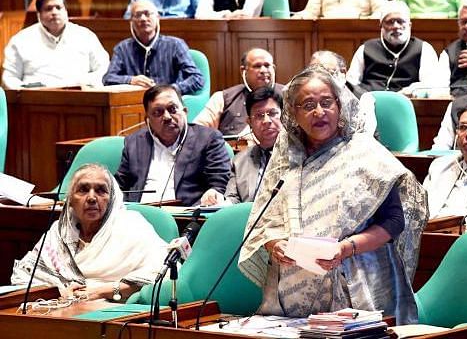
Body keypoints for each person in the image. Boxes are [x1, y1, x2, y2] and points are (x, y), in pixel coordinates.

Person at [238, 65, 427, 324]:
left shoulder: (365, 153)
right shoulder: (287, 157)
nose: (319, 112)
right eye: (308, 105)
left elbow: (394, 221)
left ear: (339, 106)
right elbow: (266, 220)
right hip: (292, 290)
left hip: (359, 282)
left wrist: (345, 248)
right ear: (293, 112)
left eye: (326, 102)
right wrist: (274, 245)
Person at [12, 164, 167, 301]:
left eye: (101, 191)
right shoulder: (59, 231)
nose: (92, 198)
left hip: (116, 310)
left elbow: (162, 275)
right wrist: (61, 291)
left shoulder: (132, 226)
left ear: (111, 198)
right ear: (71, 199)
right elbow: (27, 273)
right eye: (83, 190)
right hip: (62, 307)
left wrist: (103, 291)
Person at [115, 85, 230, 206]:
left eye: (172, 109)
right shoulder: (134, 142)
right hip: (140, 215)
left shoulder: (208, 139)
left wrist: (213, 193)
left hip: (186, 217)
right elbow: (119, 186)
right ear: (147, 120)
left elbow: (219, 184)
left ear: (185, 112)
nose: (167, 117)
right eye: (157, 112)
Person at [2, 0, 109, 89]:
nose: (54, 12)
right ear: (39, 15)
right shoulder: (21, 40)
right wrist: (26, 92)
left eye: (58, 7)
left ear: (66, 11)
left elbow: (103, 67)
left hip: (81, 98)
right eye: (48, 9)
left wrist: (87, 83)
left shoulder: (85, 36)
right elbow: (9, 78)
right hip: (36, 102)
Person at [103, 0, 204, 95]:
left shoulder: (175, 45)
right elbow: (108, 79)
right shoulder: (122, 49)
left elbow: (196, 78)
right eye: (138, 15)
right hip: (133, 104)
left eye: (147, 14)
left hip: (166, 104)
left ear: (157, 18)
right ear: (131, 22)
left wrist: (171, 90)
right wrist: (131, 80)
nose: (143, 19)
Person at [346, 0, 440, 98]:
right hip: (367, 103)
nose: (395, 26)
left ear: (409, 25)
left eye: (400, 21)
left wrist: (410, 91)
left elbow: (429, 85)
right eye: (390, 22)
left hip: (406, 104)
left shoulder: (424, 49)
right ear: (381, 26)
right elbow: (351, 83)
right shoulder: (365, 48)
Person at [194, 48, 284, 136]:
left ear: (274, 69)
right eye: (257, 66)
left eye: (267, 65)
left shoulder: (289, 95)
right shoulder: (222, 98)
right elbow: (197, 131)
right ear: (243, 71)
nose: (263, 70)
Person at [225, 86, 282, 204]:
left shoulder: (301, 153)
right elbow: (231, 200)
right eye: (259, 115)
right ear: (249, 123)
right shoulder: (238, 161)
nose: (267, 121)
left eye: (272, 113)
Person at [310, 50, 376, 135]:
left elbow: (367, 137)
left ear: (343, 72)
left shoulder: (363, 99)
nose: (318, 78)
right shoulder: (299, 94)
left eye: (325, 72)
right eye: (312, 72)